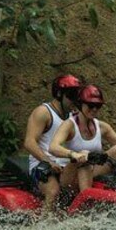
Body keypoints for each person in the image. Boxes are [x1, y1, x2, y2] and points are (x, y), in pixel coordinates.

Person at [23, 74, 83, 210]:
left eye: (77, 96)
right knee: (53, 192)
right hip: (41, 165)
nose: (75, 100)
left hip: (65, 166)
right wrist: (48, 162)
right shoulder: (43, 112)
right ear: (59, 94)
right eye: (71, 95)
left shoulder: (72, 116)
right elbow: (29, 142)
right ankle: (43, 226)